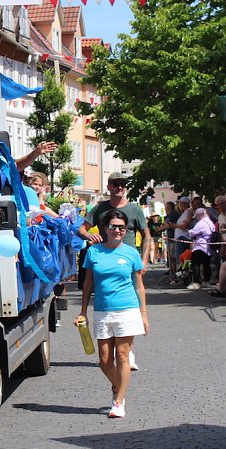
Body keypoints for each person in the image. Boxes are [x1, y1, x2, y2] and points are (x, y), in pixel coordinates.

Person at [75, 209, 149, 419]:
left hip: (127, 309)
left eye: (122, 227)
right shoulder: (93, 252)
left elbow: (139, 286)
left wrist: (143, 314)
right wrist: (82, 311)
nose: (117, 230)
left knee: (123, 356)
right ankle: (120, 386)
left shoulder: (131, 253)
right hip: (102, 310)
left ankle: (118, 401)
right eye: (113, 226)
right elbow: (88, 283)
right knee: (105, 360)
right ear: (105, 228)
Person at [77, 172, 150, 372]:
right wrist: (90, 237)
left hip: (128, 260)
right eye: (116, 184)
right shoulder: (100, 208)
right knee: (107, 299)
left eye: (122, 184)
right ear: (108, 186)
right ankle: (120, 353)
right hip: (105, 259)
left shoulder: (134, 209)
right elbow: (82, 229)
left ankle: (127, 351)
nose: (120, 187)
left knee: (131, 300)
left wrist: (144, 259)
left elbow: (146, 236)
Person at [187, 207, 215, 289]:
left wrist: (189, 231)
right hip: (208, 246)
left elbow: (193, 233)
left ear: (200, 215)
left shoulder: (201, 223)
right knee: (206, 264)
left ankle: (196, 282)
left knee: (195, 264)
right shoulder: (210, 222)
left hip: (199, 246)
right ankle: (206, 281)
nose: (196, 218)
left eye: (197, 216)